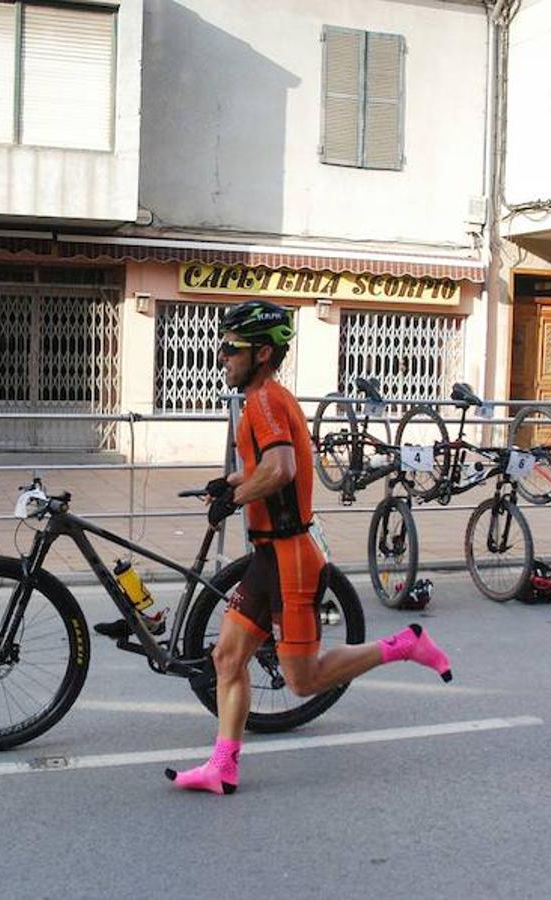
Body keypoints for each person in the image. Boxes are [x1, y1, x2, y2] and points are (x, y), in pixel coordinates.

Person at [163, 299, 452, 796]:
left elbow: (282, 471)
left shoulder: (266, 401)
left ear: (260, 354)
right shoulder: (263, 400)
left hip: (292, 559)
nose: (221, 357)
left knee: (303, 680)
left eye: (230, 348)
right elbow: (268, 467)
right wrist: (229, 481)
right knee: (228, 660)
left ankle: (404, 646)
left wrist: (235, 496)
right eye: (221, 347)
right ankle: (223, 767)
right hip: (266, 558)